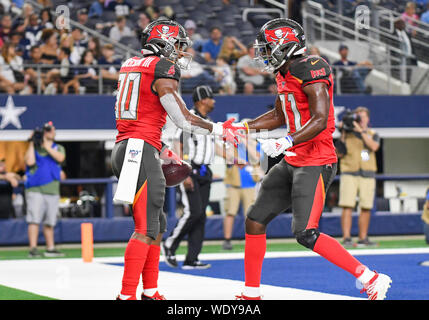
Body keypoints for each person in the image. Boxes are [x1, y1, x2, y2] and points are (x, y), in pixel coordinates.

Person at [233, 18, 392, 300]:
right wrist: (245, 126)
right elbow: (279, 116)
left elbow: (320, 120)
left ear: (287, 45)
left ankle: (371, 277)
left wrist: (287, 140)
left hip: (317, 159)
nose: (265, 54)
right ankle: (251, 292)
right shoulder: (282, 72)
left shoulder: (310, 67)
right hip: (293, 158)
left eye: (269, 47)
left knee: (305, 233)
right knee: (255, 221)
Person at [111, 19, 242, 300]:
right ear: (165, 42)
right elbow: (183, 118)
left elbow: (147, 109)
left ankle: (150, 290)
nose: (181, 53)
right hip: (140, 149)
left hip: (131, 146)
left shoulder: (130, 64)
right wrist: (219, 128)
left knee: (156, 225)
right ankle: (125, 296)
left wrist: (162, 145)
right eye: (179, 45)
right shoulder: (162, 68)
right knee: (146, 227)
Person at [163, 86, 219, 270]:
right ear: (202, 100)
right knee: (192, 212)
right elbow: (178, 144)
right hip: (191, 170)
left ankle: (192, 258)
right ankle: (170, 244)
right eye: (211, 98)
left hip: (205, 171)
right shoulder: (190, 119)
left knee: (201, 216)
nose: (214, 101)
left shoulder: (208, 121)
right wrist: (183, 170)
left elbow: (212, 147)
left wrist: (235, 158)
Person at [337, 107, 380, 247]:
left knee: (366, 206)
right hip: (349, 172)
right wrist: (343, 131)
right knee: (347, 206)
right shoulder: (347, 134)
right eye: (358, 117)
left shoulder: (373, 134)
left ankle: (363, 238)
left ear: (368, 119)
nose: (360, 120)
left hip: (367, 174)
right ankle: (347, 238)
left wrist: (361, 132)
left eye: (363, 117)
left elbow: (373, 147)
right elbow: (339, 154)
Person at [24, 121, 66, 258]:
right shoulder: (35, 148)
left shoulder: (58, 147)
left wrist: (46, 145)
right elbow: (29, 162)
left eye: (51, 130)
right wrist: (31, 141)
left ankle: (50, 248)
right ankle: (33, 249)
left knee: (50, 221)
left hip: (53, 189)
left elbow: (60, 157)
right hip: (35, 189)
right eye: (46, 130)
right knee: (34, 219)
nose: (49, 132)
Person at [222, 134, 263, 250]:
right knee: (230, 212)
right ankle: (227, 240)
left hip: (251, 183)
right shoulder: (232, 144)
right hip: (233, 183)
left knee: (250, 214)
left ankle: (251, 239)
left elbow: (256, 158)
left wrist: (246, 142)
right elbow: (227, 157)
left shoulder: (256, 145)